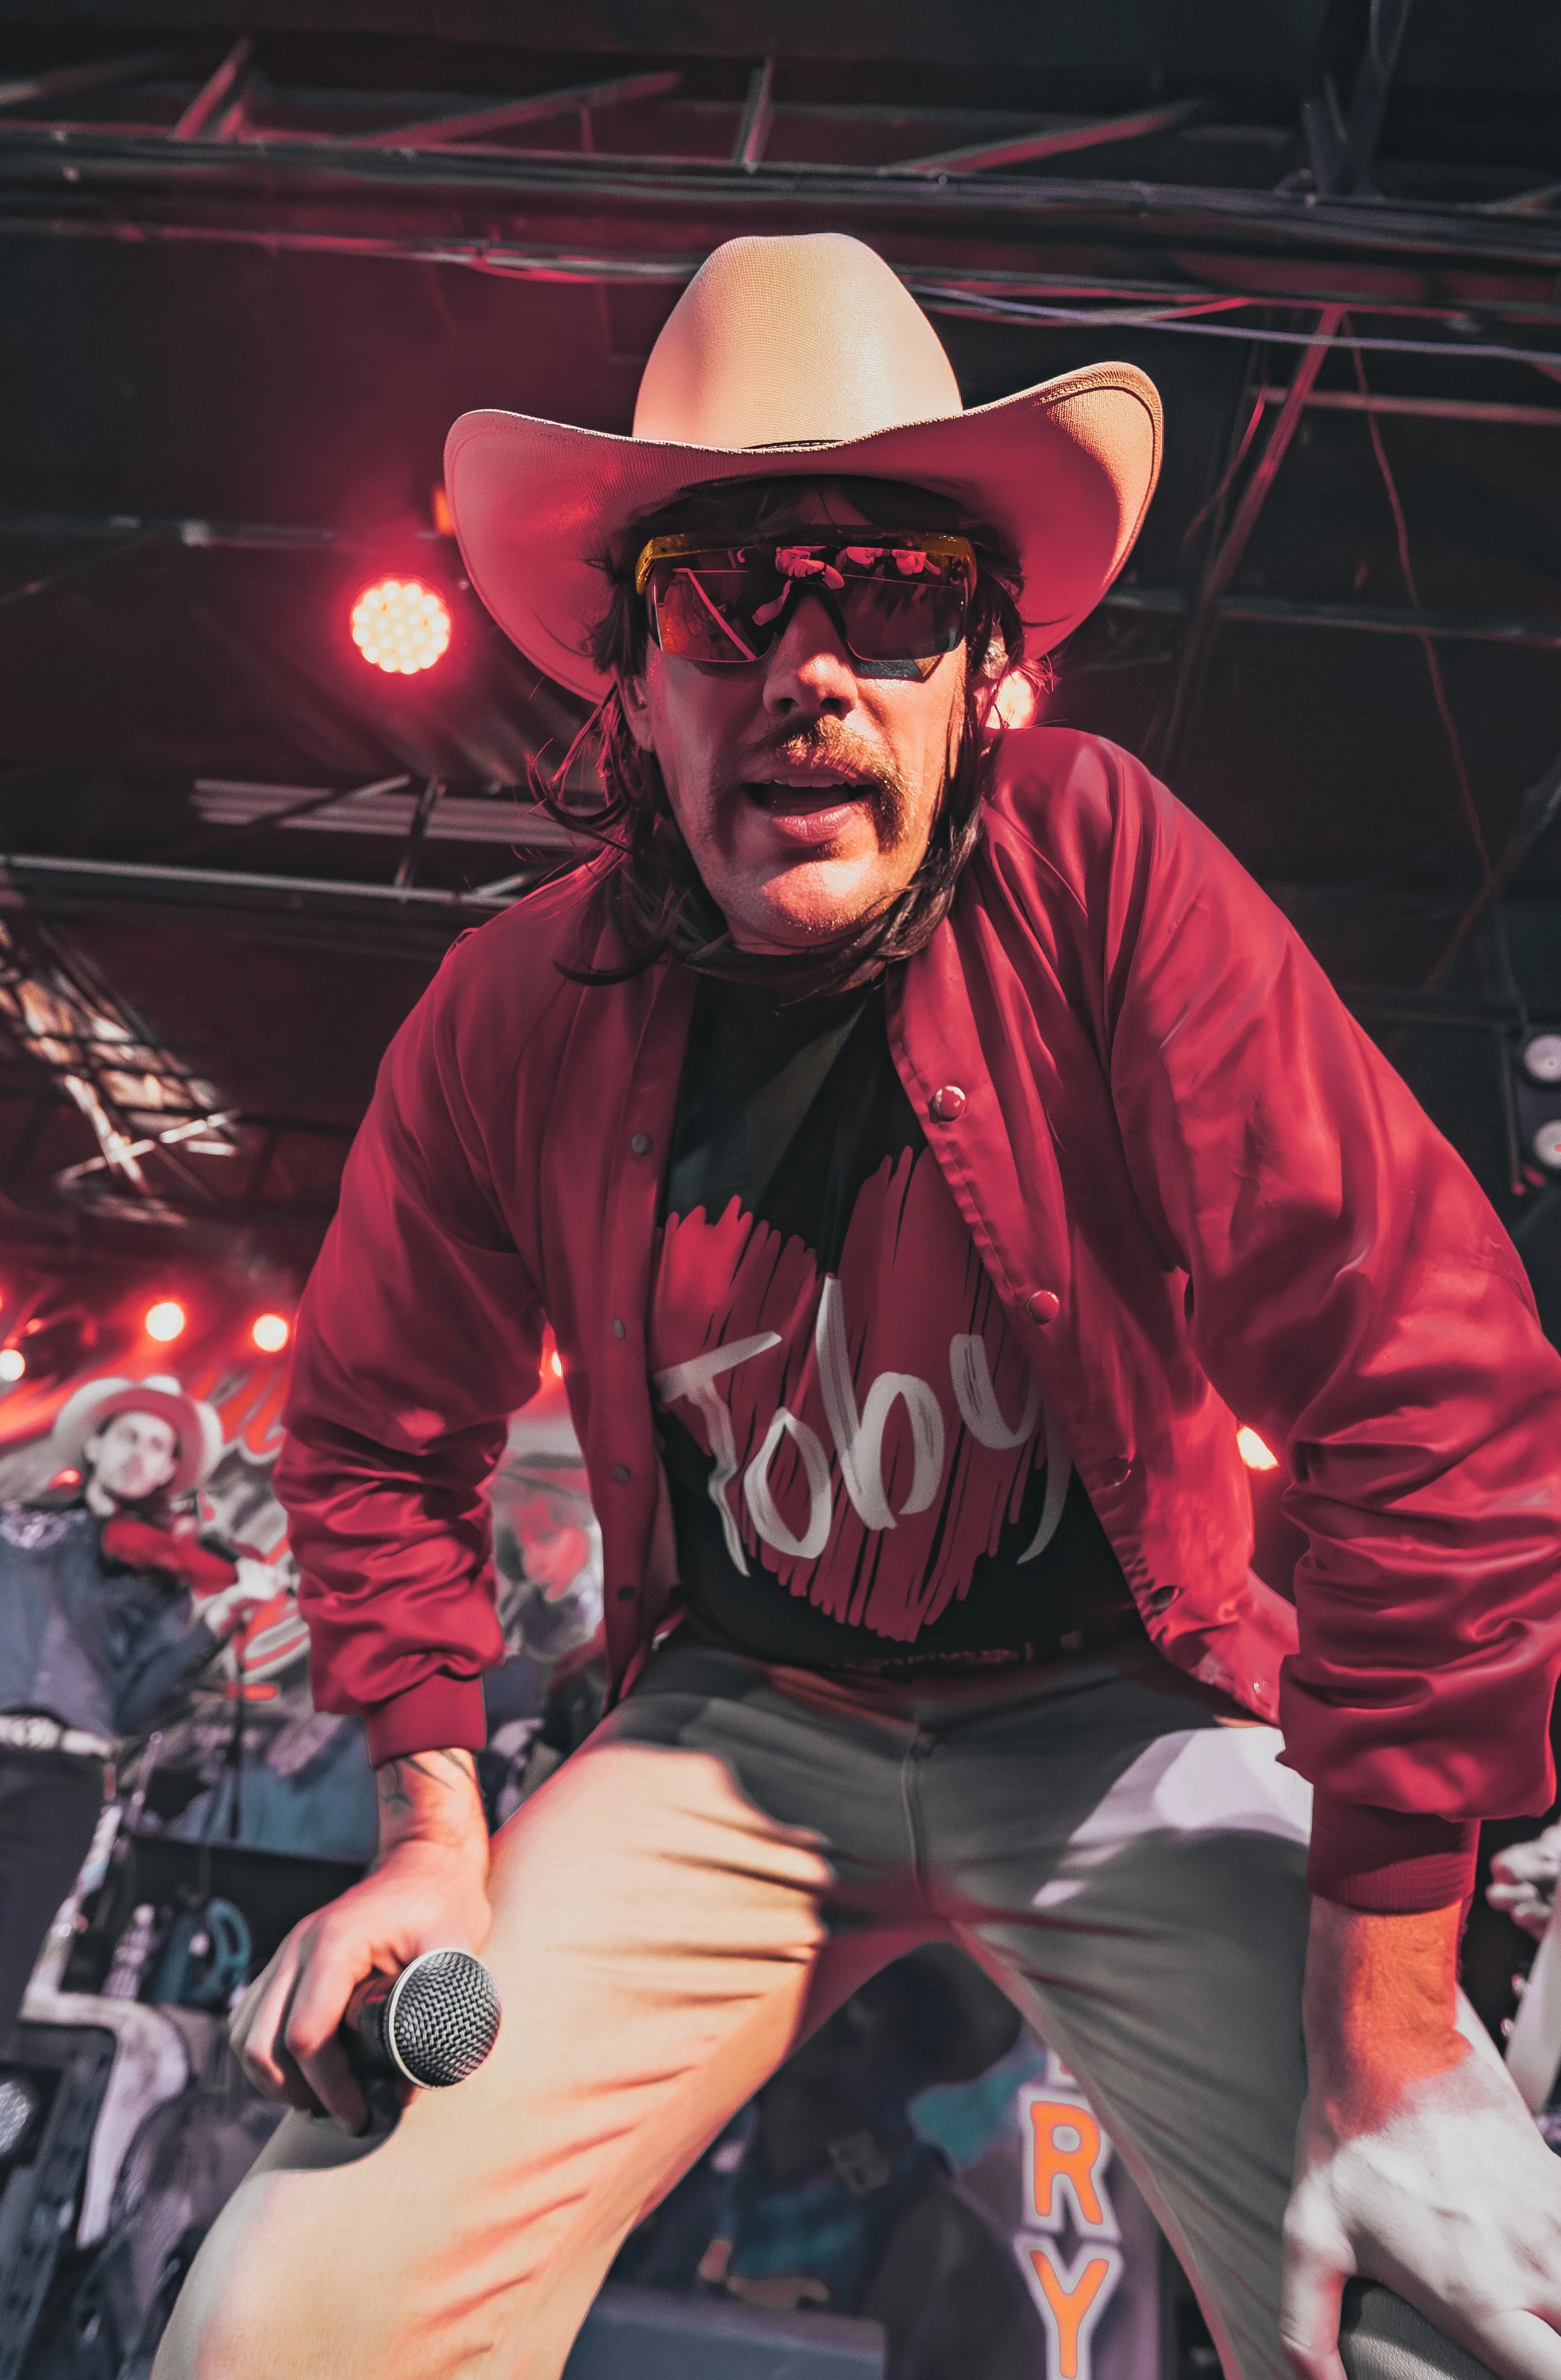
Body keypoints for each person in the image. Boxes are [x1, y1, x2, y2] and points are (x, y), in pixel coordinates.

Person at [159, 235, 1561, 2380]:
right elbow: (368, 1435)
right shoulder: (511, 1011)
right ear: (635, 681)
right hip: (739, 1729)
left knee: (1445, 2311)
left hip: (1123, 1713)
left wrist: (1388, 2023)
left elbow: (1434, 1387)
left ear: (981, 677)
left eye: (890, 592)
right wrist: (434, 1836)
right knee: (282, 2326)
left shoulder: (1098, 866)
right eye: (732, 599)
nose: (808, 667)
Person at [0, 1373, 268, 2038]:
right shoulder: (21, 1527)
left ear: (169, 1472)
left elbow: (134, 1708)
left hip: (66, 1781)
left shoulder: (164, 1577)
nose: (140, 1454)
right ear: (96, 1446)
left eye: (158, 1446)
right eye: (129, 1436)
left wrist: (216, 1621)